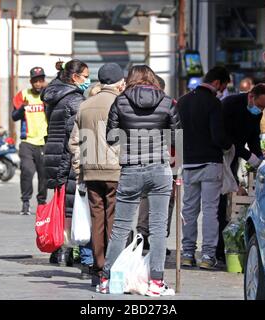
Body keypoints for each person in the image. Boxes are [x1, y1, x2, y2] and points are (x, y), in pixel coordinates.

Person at [98, 65, 180, 297]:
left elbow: (111, 137)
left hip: (131, 169)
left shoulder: (120, 101)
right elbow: (177, 135)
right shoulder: (167, 101)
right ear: (152, 78)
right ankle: (156, 282)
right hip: (159, 169)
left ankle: (106, 279)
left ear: (130, 79)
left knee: (121, 228)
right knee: (157, 229)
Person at [69, 63, 125, 286]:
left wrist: (79, 171)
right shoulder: (122, 103)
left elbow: (74, 142)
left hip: (91, 171)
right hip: (115, 170)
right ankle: (113, 269)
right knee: (114, 219)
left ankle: (99, 267)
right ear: (119, 82)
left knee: (97, 220)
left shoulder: (85, 105)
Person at [41, 59, 94, 279]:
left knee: (65, 205)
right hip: (69, 158)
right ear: (74, 78)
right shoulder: (74, 100)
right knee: (76, 208)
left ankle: (60, 250)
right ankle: (75, 253)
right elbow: (76, 136)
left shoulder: (54, 95)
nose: (88, 80)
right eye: (85, 76)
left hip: (54, 156)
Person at [177, 66, 233, 270]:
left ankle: (187, 253)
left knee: (189, 210)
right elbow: (218, 137)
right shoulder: (214, 103)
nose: (222, 91)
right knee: (210, 211)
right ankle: (208, 256)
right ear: (217, 83)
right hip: (210, 164)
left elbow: (176, 133)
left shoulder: (182, 101)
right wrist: (229, 145)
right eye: (224, 86)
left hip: (189, 164)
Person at [136, 75, 175, 254]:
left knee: (145, 197)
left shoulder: (135, 104)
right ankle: (158, 238)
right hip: (167, 159)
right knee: (165, 199)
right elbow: (176, 135)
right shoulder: (169, 104)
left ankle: (142, 235)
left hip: (141, 156)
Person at [12, 67, 48, 215]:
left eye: (41, 80)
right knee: (27, 171)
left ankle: (42, 203)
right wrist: (22, 108)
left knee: (43, 174)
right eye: (35, 81)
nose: (38, 84)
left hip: (44, 141)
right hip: (27, 141)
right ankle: (25, 202)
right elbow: (14, 116)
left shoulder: (48, 95)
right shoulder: (23, 95)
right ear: (31, 81)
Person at [222, 83, 265, 174]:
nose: (260, 110)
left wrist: (259, 157)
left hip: (235, 155)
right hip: (221, 156)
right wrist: (249, 156)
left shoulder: (257, 113)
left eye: (264, 107)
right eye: (259, 105)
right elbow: (225, 136)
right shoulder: (229, 104)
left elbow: (253, 136)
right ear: (251, 96)